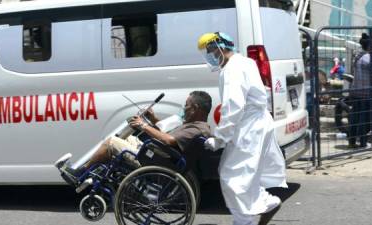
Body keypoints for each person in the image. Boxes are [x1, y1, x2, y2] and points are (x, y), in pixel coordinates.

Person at [197, 32, 287, 225]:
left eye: (211, 50)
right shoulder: (245, 62)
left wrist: (219, 139)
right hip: (255, 124)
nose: (210, 56)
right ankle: (266, 203)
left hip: (249, 127)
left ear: (220, 47)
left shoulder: (232, 70)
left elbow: (233, 107)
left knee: (234, 177)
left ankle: (245, 220)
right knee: (244, 173)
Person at [58, 91, 212, 183]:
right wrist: (152, 119)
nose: (184, 108)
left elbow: (169, 140)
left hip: (156, 160)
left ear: (196, 109)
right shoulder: (195, 125)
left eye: (186, 105)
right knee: (126, 136)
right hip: (158, 154)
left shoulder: (197, 128)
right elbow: (169, 135)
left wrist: (143, 126)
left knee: (112, 142)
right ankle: (96, 170)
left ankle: (80, 174)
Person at [348, 33, 372, 148]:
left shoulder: (357, 56)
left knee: (354, 117)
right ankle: (363, 143)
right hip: (367, 93)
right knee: (364, 119)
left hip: (355, 92)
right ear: (371, 46)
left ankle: (351, 141)